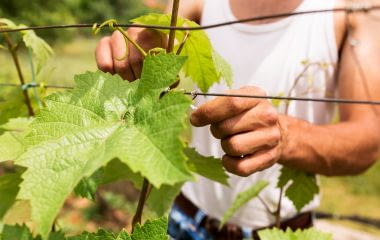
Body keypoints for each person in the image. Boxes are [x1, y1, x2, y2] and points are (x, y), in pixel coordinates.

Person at [96, 0, 380, 239]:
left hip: (281, 230)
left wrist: (286, 137)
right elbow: (159, 30)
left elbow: (369, 140)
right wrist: (137, 43)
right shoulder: (199, 2)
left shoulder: (354, 10)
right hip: (186, 221)